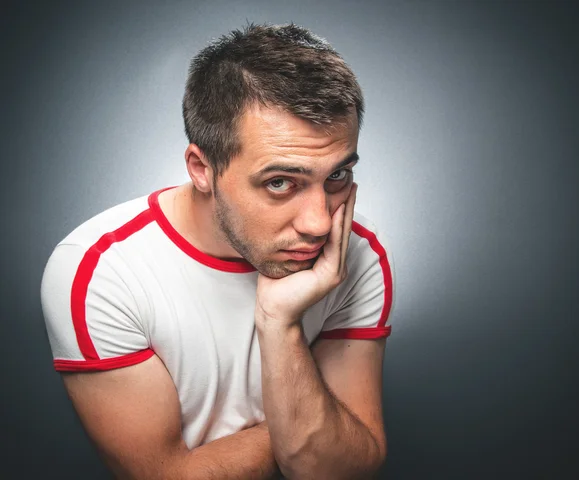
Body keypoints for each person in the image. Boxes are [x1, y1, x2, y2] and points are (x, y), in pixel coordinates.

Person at [41, 23, 395, 479]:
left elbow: (341, 470)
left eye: (337, 177)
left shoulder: (358, 254)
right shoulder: (100, 272)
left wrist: (279, 322)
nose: (321, 222)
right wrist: (306, 421)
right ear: (202, 168)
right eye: (280, 183)